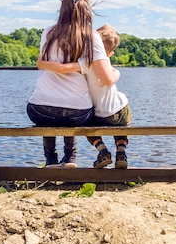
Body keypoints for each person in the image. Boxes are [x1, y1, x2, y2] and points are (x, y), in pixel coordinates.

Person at [26, 0, 111, 168]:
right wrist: (83, 66)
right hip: (78, 113)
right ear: (87, 10)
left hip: (39, 110)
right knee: (73, 107)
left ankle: (50, 160)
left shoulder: (48, 32)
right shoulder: (92, 36)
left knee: (50, 110)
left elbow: (44, 63)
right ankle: (70, 158)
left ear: (62, 10)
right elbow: (107, 78)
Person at [37, 24, 131, 169]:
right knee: (124, 123)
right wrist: (117, 73)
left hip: (99, 115)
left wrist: (42, 63)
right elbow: (109, 78)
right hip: (120, 108)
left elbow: (62, 69)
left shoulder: (85, 62)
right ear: (110, 53)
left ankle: (102, 150)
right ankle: (121, 151)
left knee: (86, 124)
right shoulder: (107, 64)